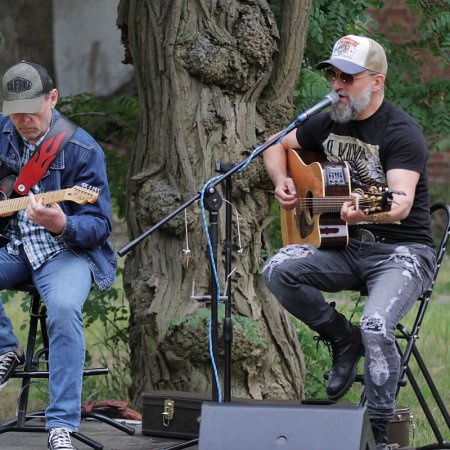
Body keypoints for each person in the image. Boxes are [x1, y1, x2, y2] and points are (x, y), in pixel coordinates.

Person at [262, 35, 436, 449]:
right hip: (344, 247)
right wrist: (282, 180)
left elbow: (399, 203)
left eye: (348, 78)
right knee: (277, 269)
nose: (336, 85)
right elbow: (275, 143)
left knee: (376, 325)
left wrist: (366, 209)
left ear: (376, 82)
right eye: (333, 75)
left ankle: (377, 434)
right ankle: (342, 337)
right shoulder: (330, 119)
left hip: (401, 253)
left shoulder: (401, 132)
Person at [0, 61, 117, 450]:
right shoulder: (4, 133)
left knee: (64, 309)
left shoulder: (82, 149)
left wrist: (61, 224)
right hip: (15, 246)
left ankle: (61, 423)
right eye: (14, 112)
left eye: (31, 111)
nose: (22, 120)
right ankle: (6, 347)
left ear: (53, 98)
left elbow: (100, 226)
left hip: (63, 251)